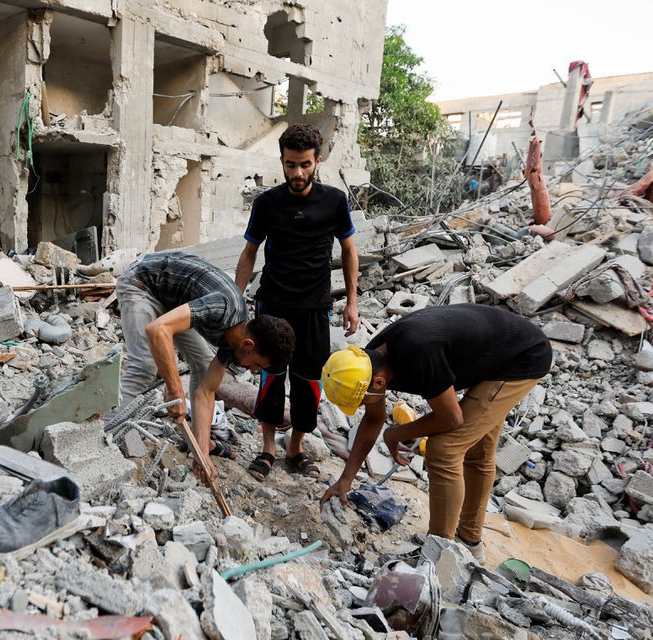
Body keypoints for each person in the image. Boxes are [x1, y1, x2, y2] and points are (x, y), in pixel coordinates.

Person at [319, 304, 552, 562]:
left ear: (378, 382)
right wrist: (346, 479)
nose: (365, 406)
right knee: (476, 448)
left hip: (520, 357)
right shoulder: (369, 361)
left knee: (444, 449)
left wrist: (396, 434)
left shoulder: (417, 352)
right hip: (490, 354)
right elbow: (374, 420)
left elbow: (451, 418)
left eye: (362, 400)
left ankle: (438, 556)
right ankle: (470, 543)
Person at [235, 123, 359, 481]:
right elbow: (249, 253)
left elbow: (349, 250)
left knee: (308, 380)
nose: (298, 173)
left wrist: (351, 301)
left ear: (317, 161)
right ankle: (269, 447)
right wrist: (236, 300)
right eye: (291, 165)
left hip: (315, 306)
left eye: (305, 164)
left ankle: (297, 447)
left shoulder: (335, 201)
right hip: (273, 303)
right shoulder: (267, 204)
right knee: (271, 375)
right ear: (282, 161)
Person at [116, 251, 295, 480]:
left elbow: (207, 390)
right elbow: (158, 330)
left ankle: (201, 445)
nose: (253, 371)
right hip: (141, 283)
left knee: (202, 365)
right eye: (257, 365)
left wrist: (201, 454)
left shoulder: (237, 339)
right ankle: (107, 436)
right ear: (248, 345)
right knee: (145, 366)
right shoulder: (222, 308)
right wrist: (175, 390)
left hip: (171, 302)